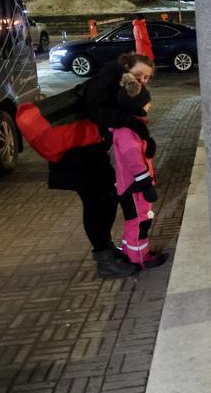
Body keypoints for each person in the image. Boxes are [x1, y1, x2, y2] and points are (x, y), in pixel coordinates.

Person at [48, 54, 155, 279]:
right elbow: (96, 112)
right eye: (139, 74)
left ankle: (106, 249)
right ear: (126, 68)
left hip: (88, 151)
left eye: (146, 78)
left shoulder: (117, 81)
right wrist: (133, 122)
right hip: (76, 153)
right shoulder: (109, 78)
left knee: (105, 198)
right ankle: (104, 258)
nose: (142, 80)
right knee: (97, 201)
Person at [110, 73, 166, 270]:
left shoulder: (132, 126)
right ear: (137, 106)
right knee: (140, 222)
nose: (149, 106)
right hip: (134, 187)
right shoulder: (128, 131)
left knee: (134, 220)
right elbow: (134, 161)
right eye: (146, 103)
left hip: (132, 185)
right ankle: (140, 257)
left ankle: (129, 251)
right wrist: (146, 184)